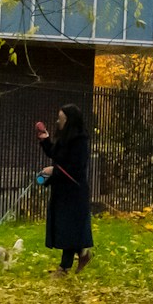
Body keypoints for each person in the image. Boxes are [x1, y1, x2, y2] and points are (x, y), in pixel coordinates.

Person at [36, 103, 93, 274]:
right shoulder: (64, 139)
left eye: (60, 118)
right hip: (62, 190)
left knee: (69, 228)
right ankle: (83, 253)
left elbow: (75, 167)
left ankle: (64, 267)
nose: (57, 121)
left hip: (74, 192)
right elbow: (56, 155)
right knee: (64, 227)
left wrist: (55, 170)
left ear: (69, 120)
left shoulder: (80, 140)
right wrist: (46, 140)